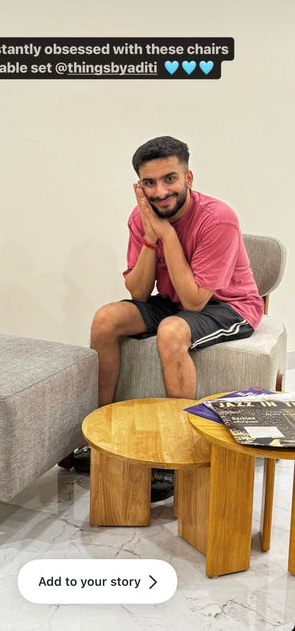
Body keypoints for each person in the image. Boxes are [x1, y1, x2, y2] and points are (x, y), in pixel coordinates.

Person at [74, 135, 264, 499]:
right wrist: (150, 237)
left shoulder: (218, 218)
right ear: (139, 186)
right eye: (150, 183)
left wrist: (166, 234)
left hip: (229, 304)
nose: (161, 191)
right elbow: (140, 293)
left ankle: (179, 448)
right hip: (174, 298)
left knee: (172, 330)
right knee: (105, 319)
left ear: (188, 179)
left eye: (170, 179)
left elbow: (194, 302)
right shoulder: (140, 217)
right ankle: (99, 433)